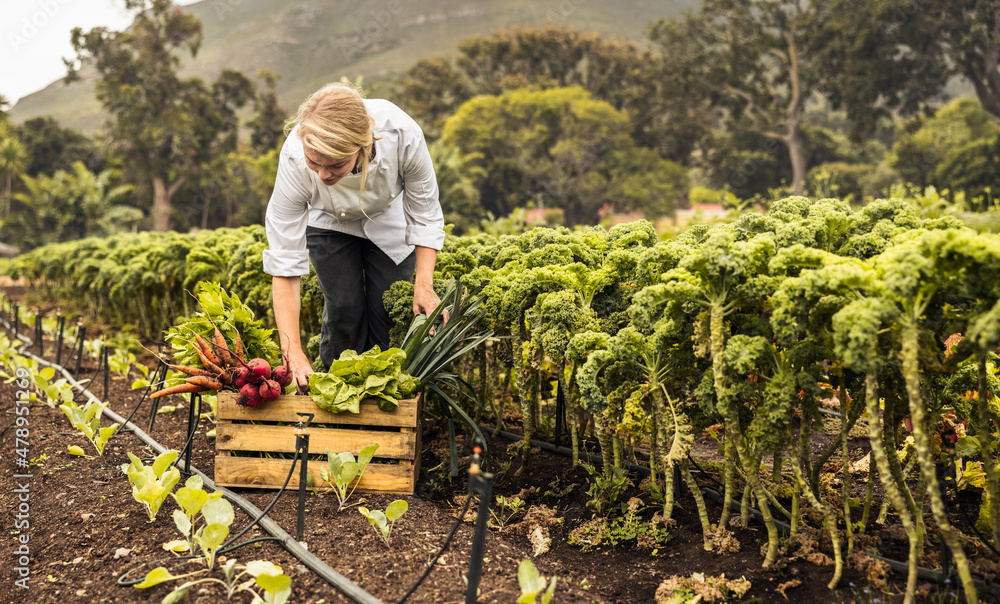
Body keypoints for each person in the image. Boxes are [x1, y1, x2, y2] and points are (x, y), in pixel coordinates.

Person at [262, 83, 446, 393]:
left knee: (387, 312)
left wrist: (424, 285)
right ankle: (338, 395)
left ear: (363, 146)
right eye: (314, 162)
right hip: (328, 221)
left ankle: (386, 400)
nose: (323, 175)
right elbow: (285, 262)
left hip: (388, 219)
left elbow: (425, 214)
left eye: (335, 164)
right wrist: (291, 349)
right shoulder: (293, 158)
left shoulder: (403, 134)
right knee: (344, 309)